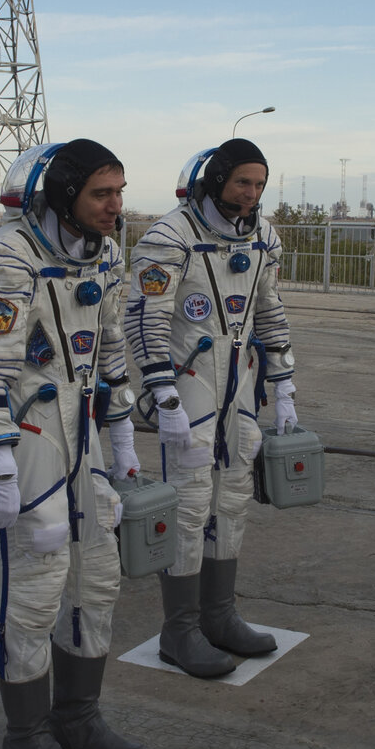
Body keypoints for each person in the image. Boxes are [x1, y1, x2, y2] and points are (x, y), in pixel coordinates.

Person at [0, 139, 148, 749]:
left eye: (119, 192)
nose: (115, 206)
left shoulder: (108, 255)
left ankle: (78, 717)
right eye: (101, 194)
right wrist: (0, 462)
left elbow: (112, 343)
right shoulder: (9, 260)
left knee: (99, 575)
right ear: (63, 195)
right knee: (38, 585)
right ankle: (26, 737)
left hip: (83, 433)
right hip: (29, 435)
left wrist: (121, 433)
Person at [125, 139, 296, 678]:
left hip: (241, 382)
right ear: (216, 178)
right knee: (193, 497)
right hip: (190, 384)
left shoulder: (263, 238)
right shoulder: (169, 237)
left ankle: (220, 615)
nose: (251, 194)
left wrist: (286, 384)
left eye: (260, 185)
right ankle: (180, 629)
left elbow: (269, 311)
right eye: (242, 181)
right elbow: (144, 320)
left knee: (235, 492)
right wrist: (162, 393)